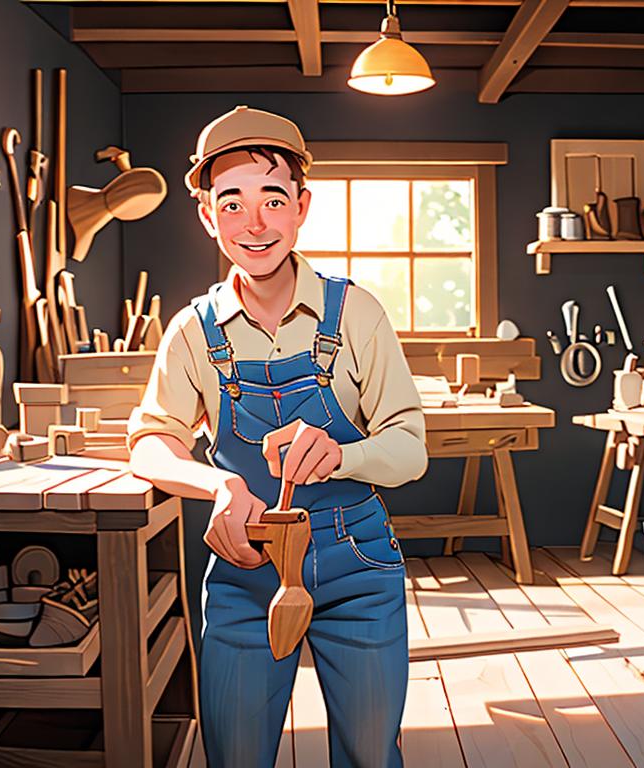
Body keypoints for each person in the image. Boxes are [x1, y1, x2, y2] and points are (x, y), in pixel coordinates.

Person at [127, 105, 427, 767]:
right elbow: (150, 441)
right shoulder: (192, 332)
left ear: (301, 206)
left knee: (373, 755)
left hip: (358, 562)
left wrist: (344, 453)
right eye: (231, 204)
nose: (255, 224)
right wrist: (218, 482)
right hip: (245, 570)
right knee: (234, 754)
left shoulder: (357, 315)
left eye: (272, 199)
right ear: (207, 214)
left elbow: (410, 445)